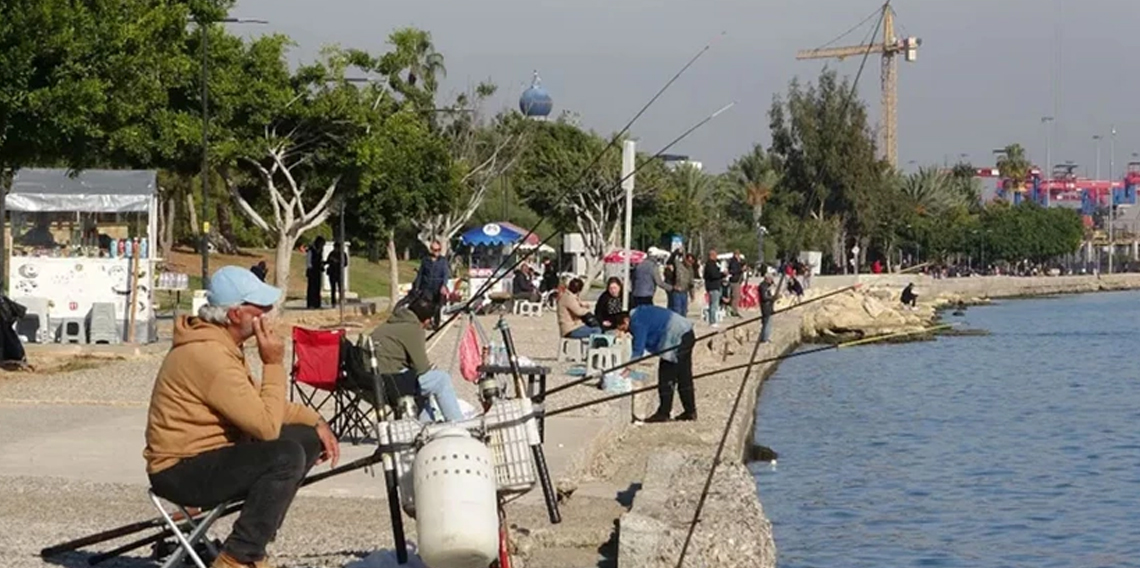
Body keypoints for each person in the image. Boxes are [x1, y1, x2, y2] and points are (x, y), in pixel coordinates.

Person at [144, 266, 340, 568]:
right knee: (284, 455)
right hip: (180, 469)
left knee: (305, 439)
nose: (269, 312)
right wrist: (273, 362)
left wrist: (315, 421)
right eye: (260, 307)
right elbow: (265, 427)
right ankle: (238, 558)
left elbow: (260, 401)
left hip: (208, 456)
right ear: (236, 314)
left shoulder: (220, 344)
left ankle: (254, 543)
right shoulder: (209, 355)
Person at [370, 294, 465, 422]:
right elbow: (422, 369)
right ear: (426, 320)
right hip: (391, 382)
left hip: (370, 380)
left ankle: (426, 424)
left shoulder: (391, 322)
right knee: (441, 380)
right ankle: (458, 423)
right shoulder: (414, 328)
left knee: (426, 386)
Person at [616, 306, 696, 422]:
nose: (626, 332)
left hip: (677, 338)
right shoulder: (639, 312)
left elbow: (638, 347)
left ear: (626, 321)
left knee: (666, 376)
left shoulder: (637, 322)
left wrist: (629, 369)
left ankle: (664, 413)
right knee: (684, 375)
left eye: (624, 328)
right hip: (686, 333)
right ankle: (690, 412)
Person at [412, 241, 451, 329]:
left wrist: (444, 285)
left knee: (437, 306)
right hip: (427, 287)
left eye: (438, 250)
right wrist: (417, 286)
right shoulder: (425, 260)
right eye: (434, 250)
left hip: (438, 287)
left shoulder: (443, 261)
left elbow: (446, 274)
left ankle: (436, 324)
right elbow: (420, 274)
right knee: (426, 305)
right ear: (431, 250)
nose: (436, 252)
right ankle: (426, 321)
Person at [703, 250, 725, 327]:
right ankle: (712, 321)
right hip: (713, 286)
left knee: (714, 304)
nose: (716, 257)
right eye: (715, 255)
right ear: (711, 256)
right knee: (713, 305)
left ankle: (713, 319)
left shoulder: (714, 264)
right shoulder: (710, 265)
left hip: (715, 286)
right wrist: (722, 274)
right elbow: (713, 275)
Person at [305, 236, 326, 309]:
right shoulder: (311, 250)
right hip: (312, 270)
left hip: (317, 270)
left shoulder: (320, 250)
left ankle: (317, 304)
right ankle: (311, 304)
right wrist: (310, 269)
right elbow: (309, 261)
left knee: (317, 287)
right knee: (311, 287)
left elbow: (320, 259)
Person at [759, 271, 777, 343]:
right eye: (771, 279)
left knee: (767, 322)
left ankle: (764, 337)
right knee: (767, 323)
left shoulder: (767, 285)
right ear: (767, 278)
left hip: (769, 306)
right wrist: (773, 298)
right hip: (766, 306)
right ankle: (765, 338)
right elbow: (764, 297)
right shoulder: (763, 286)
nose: (772, 280)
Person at [727, 250, 745, 317]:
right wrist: (741, 269)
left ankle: (733, 310)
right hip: (735, 281)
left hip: (736, 280)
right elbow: (734, 271)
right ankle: (734, 311)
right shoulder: (734, 262)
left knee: (734, 296)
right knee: (736, 296)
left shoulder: (735, 262)